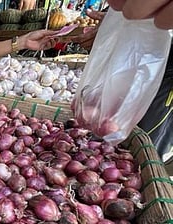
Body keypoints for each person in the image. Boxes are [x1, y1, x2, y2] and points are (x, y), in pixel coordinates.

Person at [72, 0, 173, 164]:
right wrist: (118, 27)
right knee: (106, 133)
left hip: (165, 79)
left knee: (145, 147)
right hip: (146, 57)